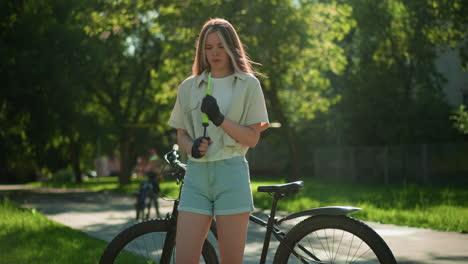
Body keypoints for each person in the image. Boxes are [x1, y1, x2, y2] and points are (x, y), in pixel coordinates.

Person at [168, 18, 269, 263]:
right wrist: (192, 146)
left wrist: (219, 118)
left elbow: (252, 138)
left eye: (221, 46)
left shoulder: (249, 85)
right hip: (196, 178)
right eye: (208, 47)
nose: (214, 52)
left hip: (231, 174)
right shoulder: (189, 87)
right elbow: (181, 134)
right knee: (183, 259)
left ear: (232, 47)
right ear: (201, 50)